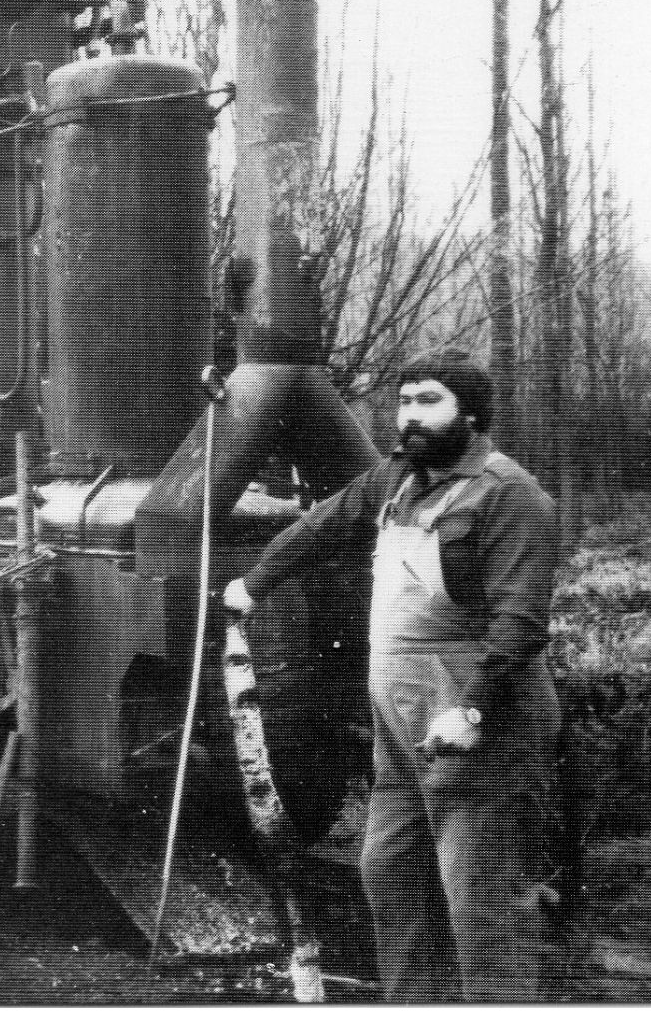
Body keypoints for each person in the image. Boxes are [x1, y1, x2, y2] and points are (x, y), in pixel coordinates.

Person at [222, 348, 563, 1002]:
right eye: (403, 400)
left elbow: (518, 626)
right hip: (400, 740)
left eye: (426, 400)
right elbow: (323, 523)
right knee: (390, 881)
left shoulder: (509, 494)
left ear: (468, 411)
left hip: (479, 731)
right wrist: (253, 582)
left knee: (481, 908)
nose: (409, 414)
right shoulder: (396, 481)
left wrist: (469, 711)